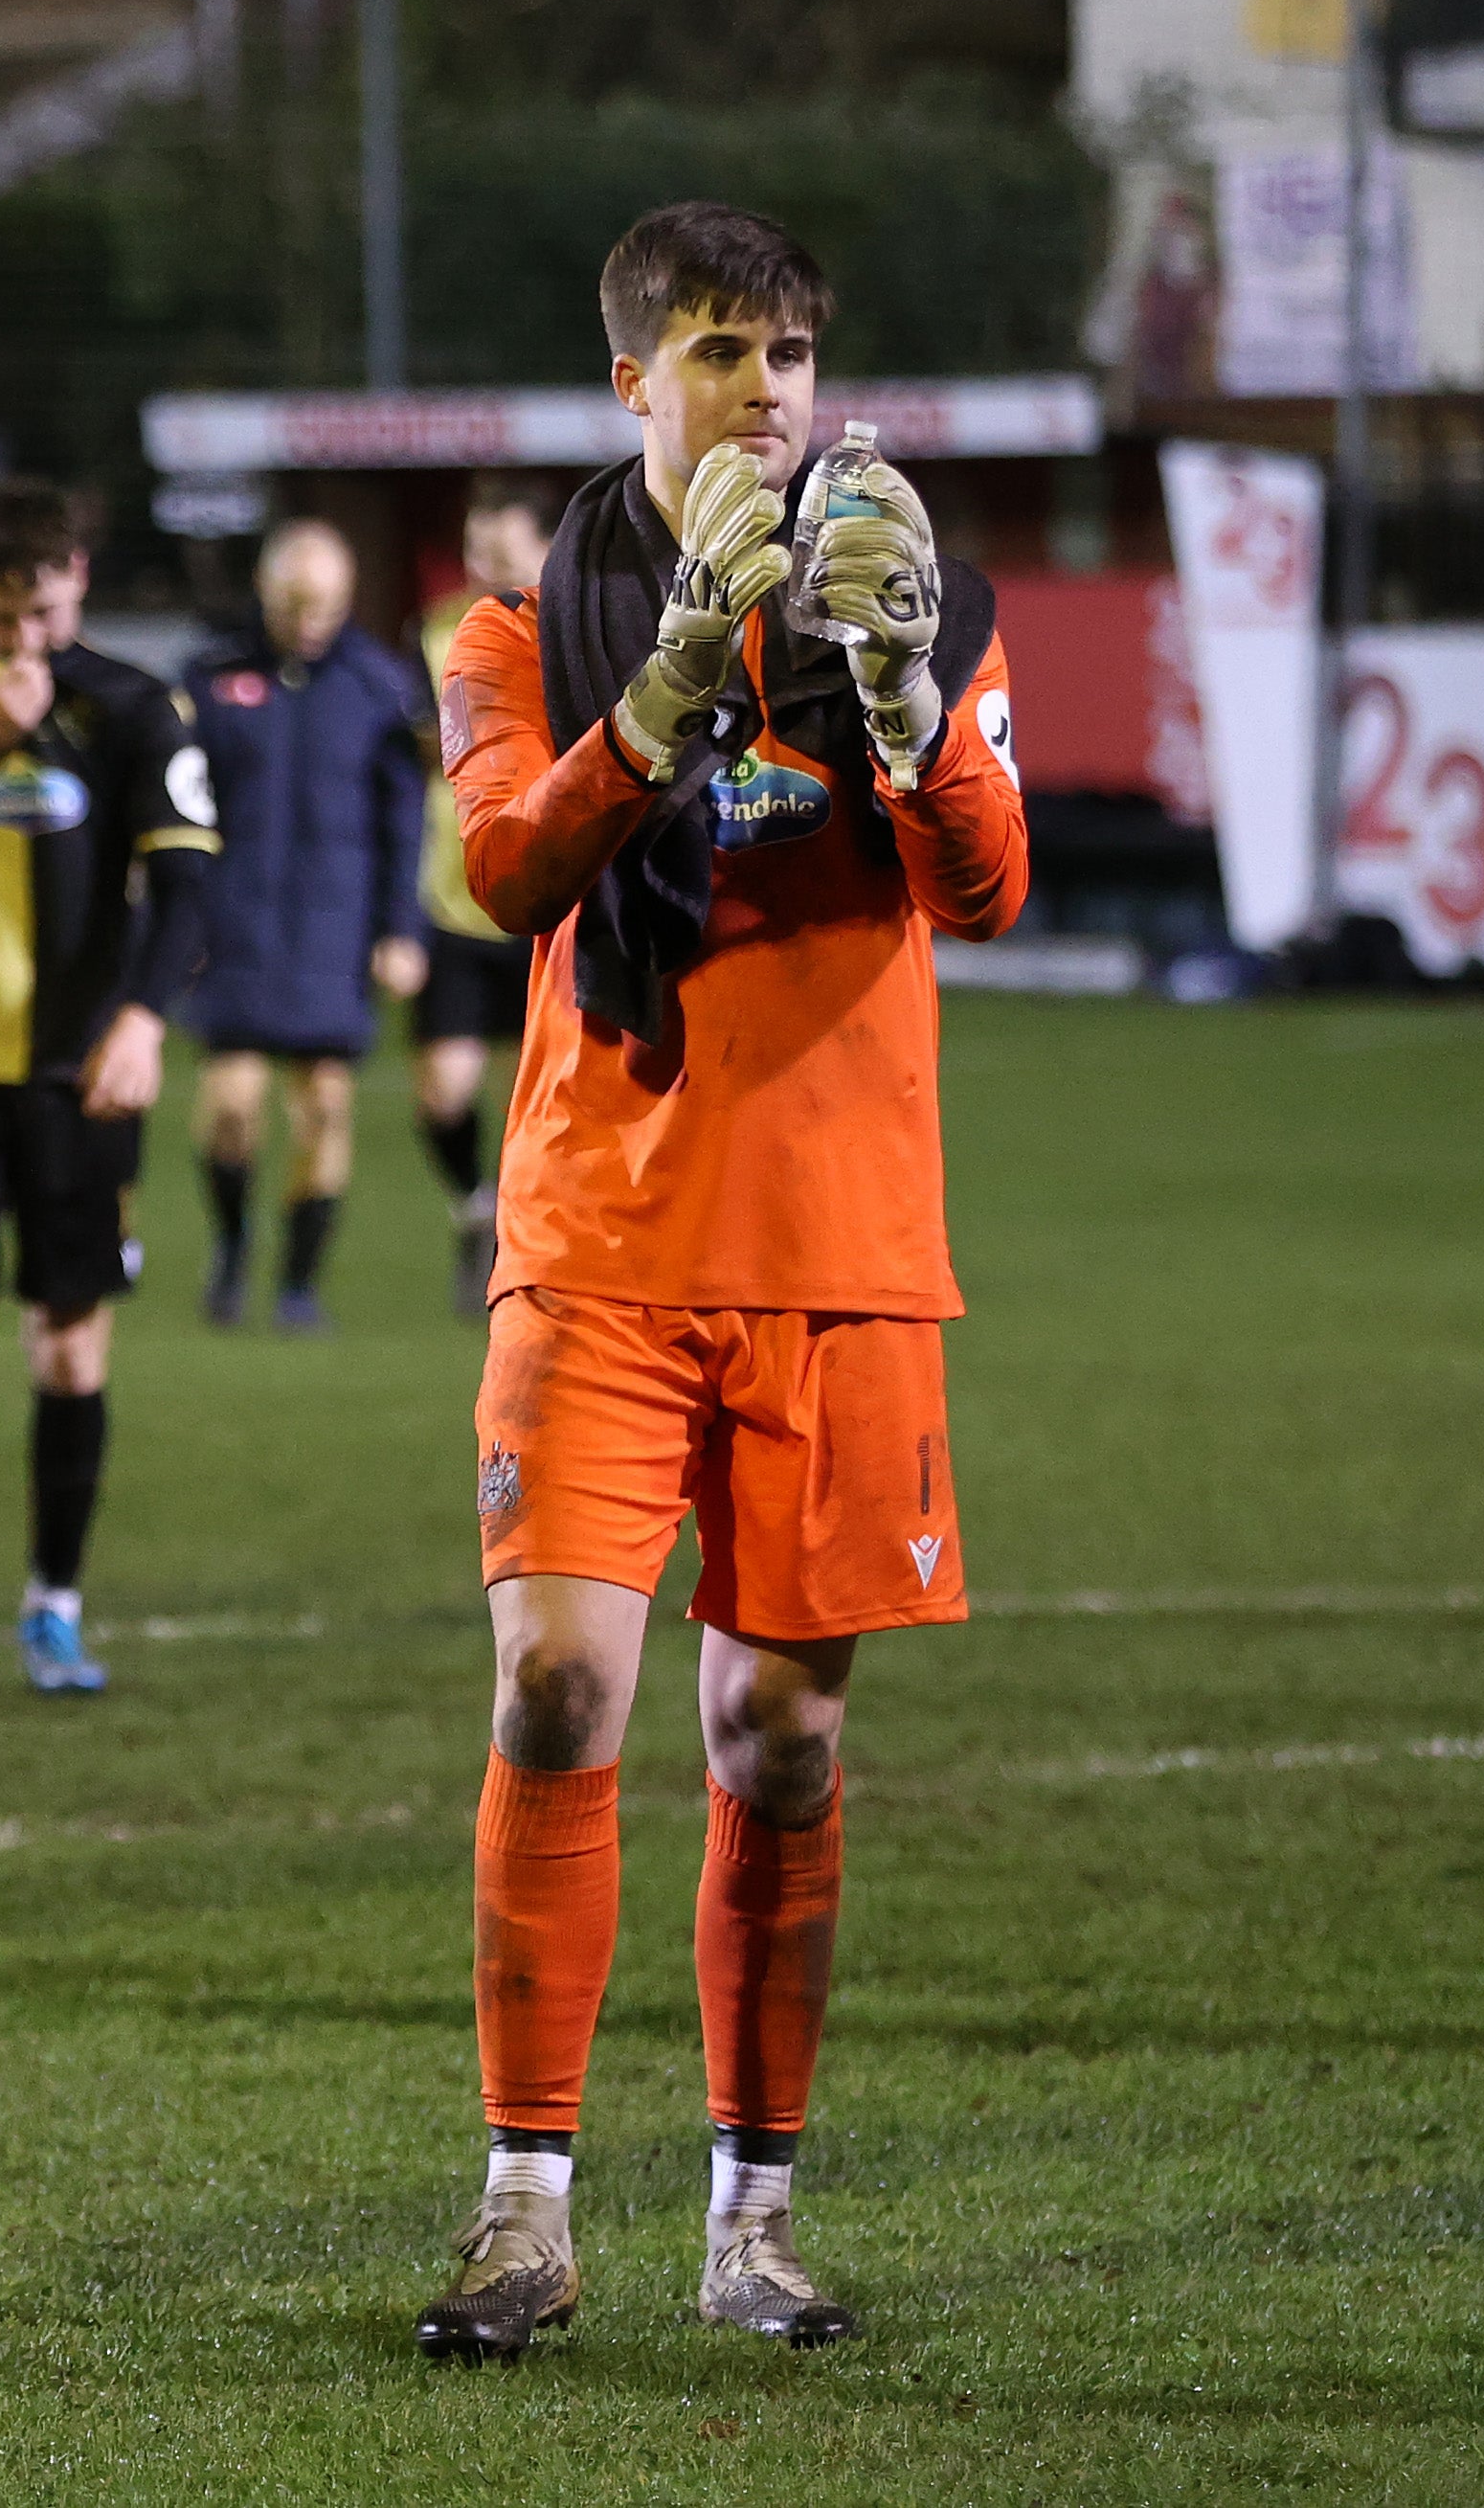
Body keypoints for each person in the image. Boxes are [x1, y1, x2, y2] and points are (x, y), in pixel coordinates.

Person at [416, 201, 1025, 2362]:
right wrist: (664, 693)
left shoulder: (908, 602)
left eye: (783, 349)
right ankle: (522, 2210)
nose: (761, 385)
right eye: (713, 348)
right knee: (557, 1691)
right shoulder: (518, 637)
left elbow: (989, 881)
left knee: (773, 1740)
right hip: (599, 1251)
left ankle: (752, 2216)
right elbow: (504, 870)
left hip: (843, 1266)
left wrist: (903, 694)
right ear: (629, 387)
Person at [0, 478, 218, 1703]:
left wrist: (140, 1017)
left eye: (47, 612)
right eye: (3, 617)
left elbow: (183, 881)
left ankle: (56, 1609)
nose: (28, 640)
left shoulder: (134, 704)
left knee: (69, 1346)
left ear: (78, 584)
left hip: (81, 1081)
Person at [184, 518, 432, 1328]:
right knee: (230, 1105)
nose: (307, 620)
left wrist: (402, 930)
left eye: (323, 605)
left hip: (335, 927)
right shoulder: (211, 677)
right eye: (294, 604)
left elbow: (405, 823)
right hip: (233, 924)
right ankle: (229, 1244)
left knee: (324, 1105)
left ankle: (297, 1283)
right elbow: (178, 813)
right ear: (263, 590)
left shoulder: (378, 685)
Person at [414, 479, 561, 1320]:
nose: (485, 566)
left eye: (502, 551)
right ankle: (475, 1201)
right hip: (453, 899)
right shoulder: (435, 633)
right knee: (442, 1090)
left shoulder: (577, 632)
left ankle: (522, 1239)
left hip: (547, 898)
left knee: (529, 1098)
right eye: (476, 549)